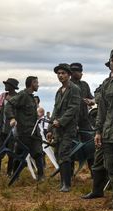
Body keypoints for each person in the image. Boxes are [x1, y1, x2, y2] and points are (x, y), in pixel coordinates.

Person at [82, 48, 113, 211]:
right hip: (107, 131)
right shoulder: (106, 84)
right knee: (108, 165)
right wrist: (98, 131)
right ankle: (104, 193)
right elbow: (101, 110)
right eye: (112, 61)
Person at [47, 63, 81, 192]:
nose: (60, 75)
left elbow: (73, 108)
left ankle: (67, 184)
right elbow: (55, 110)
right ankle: (62, 182)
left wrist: (60, 122)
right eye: (58, 73)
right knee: (57, 153)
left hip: (68, 127)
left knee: (64, 153)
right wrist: (50, 128)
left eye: (63, 73)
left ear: (69, 75)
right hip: (57, 128)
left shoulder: (74, 89)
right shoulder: (58, 91)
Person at [5, 76, 45, 181]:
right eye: (36, 83)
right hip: (23, 133)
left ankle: (41, 176)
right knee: (19, 155)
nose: (38, 85)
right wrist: (12, 118)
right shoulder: (22, 95)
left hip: (34, 132)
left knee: (38, 153)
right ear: (32, 83)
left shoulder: (32, 97)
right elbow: (8, 105)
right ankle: (15, 175)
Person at [70, 62, 95, 173]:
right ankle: (69, 175)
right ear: (73, 73)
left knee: (91, 147)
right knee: (70, 148)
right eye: (78, 72)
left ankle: (94, 173)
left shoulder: (84, 85)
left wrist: (91, 101)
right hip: (71, 122)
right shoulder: (68, 86)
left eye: (81, 71)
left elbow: (92, 98)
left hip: (85, 121)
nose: (81, 74)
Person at [0, 78, 19, 176]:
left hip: (12, 131)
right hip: (1, 130)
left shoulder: (18, 97)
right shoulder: (3, 96)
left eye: (7, 84)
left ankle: (9, 173)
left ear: (12, 86)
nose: (5, 86)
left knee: (11, 153)